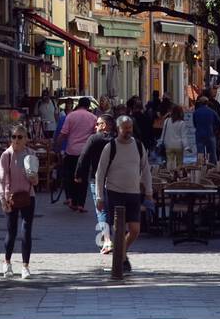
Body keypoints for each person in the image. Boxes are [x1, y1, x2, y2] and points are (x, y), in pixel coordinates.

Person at [94, 115, 153, 273]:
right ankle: (122, 259)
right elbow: (100, 174)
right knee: (118, 229)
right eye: (124, 128)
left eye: (130, 127)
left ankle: (121, 253)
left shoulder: (139, 146)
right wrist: (99, 196)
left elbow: (146, 169)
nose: (128, 131)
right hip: (114, 192)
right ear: (118, 129)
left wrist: (148, 191)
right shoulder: (110, 147)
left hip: (133, 193)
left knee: (135, 229)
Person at [0, 126, 37, 279]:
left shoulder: (31, 154)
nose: (16, 140)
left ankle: (25, 266)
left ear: (26, 138)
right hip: (10, 197)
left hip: (28, 196)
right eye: (14, 137)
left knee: (26, 231)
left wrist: (33, 178)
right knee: (11, 231)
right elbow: (1, 180)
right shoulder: (6, 155)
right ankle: (7, 262)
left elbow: (35, 181)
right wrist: (3, 199)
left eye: (20, 137)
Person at [75, 113, 116, 254]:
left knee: (101, 209)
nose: (96, 126)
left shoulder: (94, 139)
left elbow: (83, 157)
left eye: (98, 123)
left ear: (104, 125)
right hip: (115, 179)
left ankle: (107, 240)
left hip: (96, 178)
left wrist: (78, 174)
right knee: (111, 209)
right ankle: (110, 238)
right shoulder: (117, 140)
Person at [54, 96, 98, 212]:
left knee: (71, 176)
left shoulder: (70, 116)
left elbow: (63, 134)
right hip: (85, 152)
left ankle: (72, 200)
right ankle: (81, 204)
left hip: (71, 151)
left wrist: (57, 146)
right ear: (88, 106)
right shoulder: (93, 118)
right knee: (83, 178)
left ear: (78, 104)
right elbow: (95, 135)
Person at [158, 104, 193, 169]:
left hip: (168, 145)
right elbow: (183, 136)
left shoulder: (167, 121)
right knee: (179, 163)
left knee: (170, 162)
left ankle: (170, 174)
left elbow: (163, 133)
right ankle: (178, 175)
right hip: (178, 146)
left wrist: (160, 143)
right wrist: (186, 147)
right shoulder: (182, 123)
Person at [191, 97, 220, 163]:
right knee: (212, 153)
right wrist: (216, 131)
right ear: (207, 103)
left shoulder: (196, 113)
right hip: (210, 134)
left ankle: (200, 169)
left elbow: (195, 124)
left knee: (200, 153)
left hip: (199, 134)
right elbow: (219, 123)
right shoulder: (212, 112)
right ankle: (212, 168)